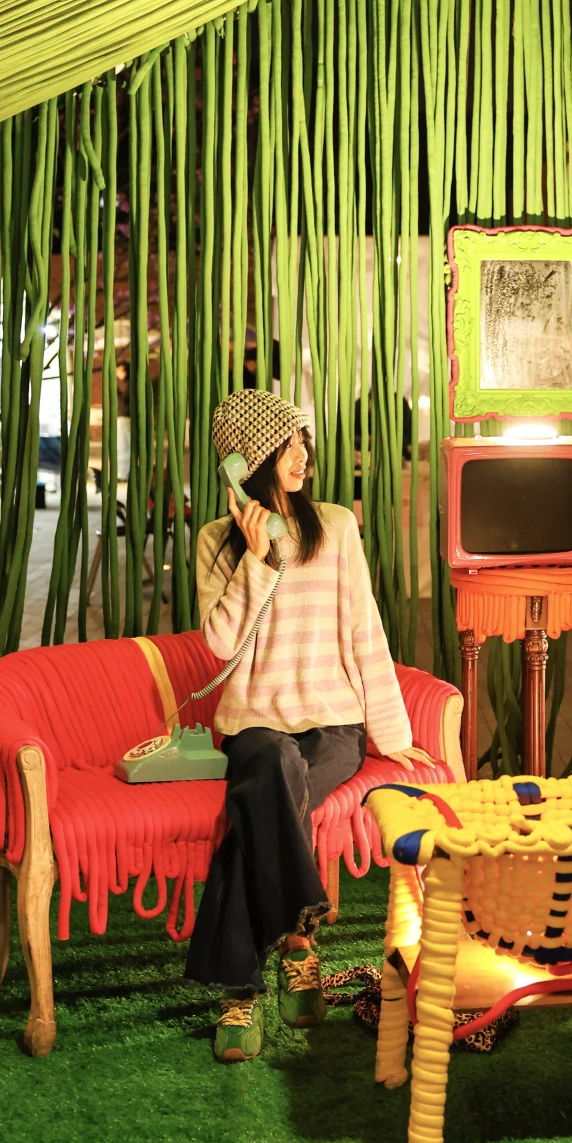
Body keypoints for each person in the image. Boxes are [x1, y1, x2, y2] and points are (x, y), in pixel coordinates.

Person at [185, 389, 432, 1063]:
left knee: (258, 809)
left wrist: (394, 736)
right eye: (285, 444)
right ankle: (299, 939)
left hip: (334, 725)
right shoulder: (216, 541)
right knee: (271, 771)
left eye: (303, 441)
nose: (302, 455)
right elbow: (220, 643)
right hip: (255, 724)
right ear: (248, 462)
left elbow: (364, 632)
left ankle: (240, 991)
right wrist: (258, 556)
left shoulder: (337, 527)